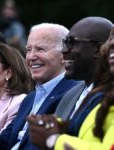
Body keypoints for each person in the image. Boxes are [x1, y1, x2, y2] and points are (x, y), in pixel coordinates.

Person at [0, 23, 78, 150]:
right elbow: (1, 146)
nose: (31, 57)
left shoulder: (74, 94)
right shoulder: (29, 99)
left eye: (40, 49)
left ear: (64, 55)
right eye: (28, 50)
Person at [26, 17, 114, 150]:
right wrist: (58, 127)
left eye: (71, 42)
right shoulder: (74, 94)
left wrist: (53, 140)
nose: (64, 50)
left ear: (97, 49)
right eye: (65, 42)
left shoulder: (106, 93)